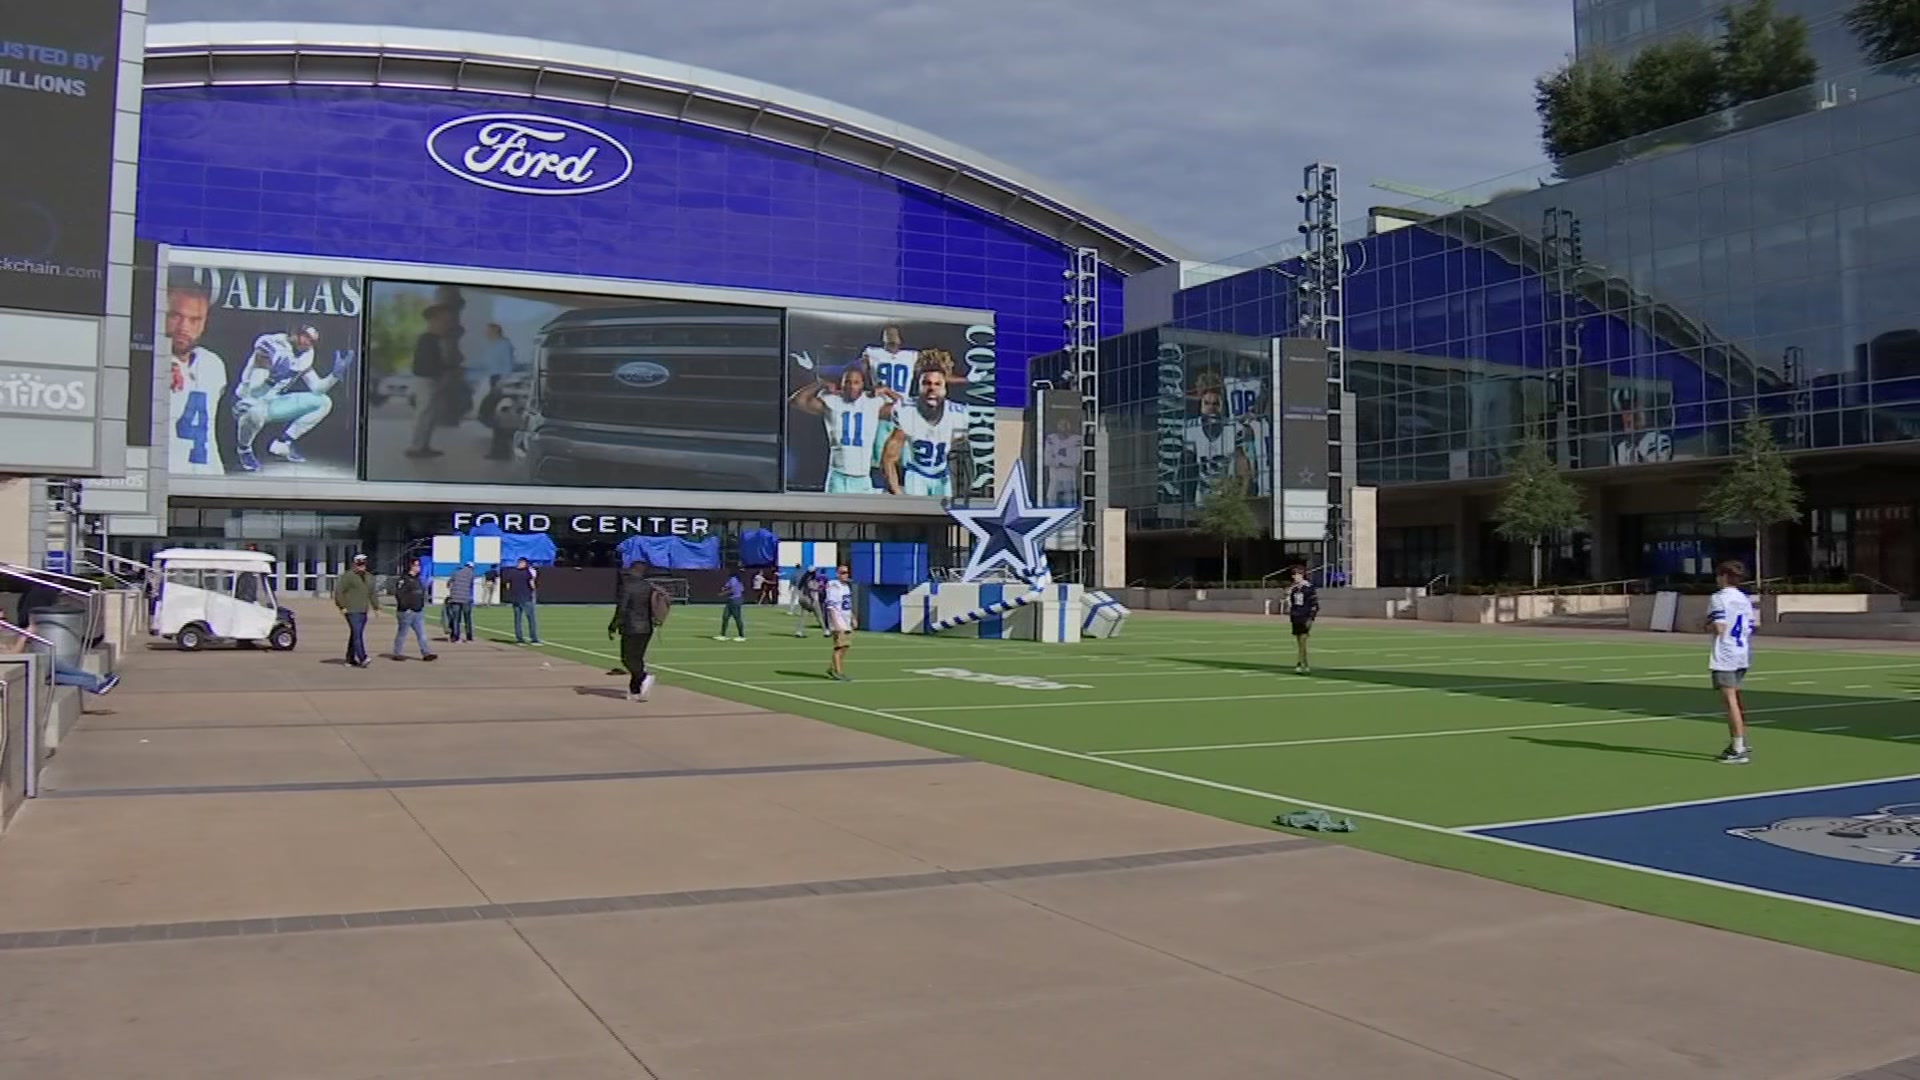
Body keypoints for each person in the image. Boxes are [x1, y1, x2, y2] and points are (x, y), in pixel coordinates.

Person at [230, 324, 353, 472]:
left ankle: (283, 443)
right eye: (306, 337)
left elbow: (317, 388)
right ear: (294, 334)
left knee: (323, 402)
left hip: (272, 402)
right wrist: (273, 380)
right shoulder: (270, 345)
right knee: (256, 412)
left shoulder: (306, 355)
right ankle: (244, 449)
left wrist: (334, 376)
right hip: (247, 402)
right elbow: (254, 390)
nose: (308, 343)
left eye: (312, 341)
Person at [790, 359, 897, 493]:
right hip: (838, 475)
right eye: (847, 382)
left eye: (856, 382)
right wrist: (820, 384)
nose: (852, 386)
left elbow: (907, 410)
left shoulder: (872, 404)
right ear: (841, 384)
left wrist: (887, 391)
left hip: (863, 477)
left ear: (862, 384)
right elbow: (796, 401)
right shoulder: (832, 401)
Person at [163, 275, 229, 475]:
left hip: (208, 479)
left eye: (194, 320)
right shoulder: (146, 360)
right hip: (160, 481)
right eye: (175, 316)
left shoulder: (213, 365)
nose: (184, 328)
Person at [881, 364, 968, 497]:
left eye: (937, 384)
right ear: (919, 387)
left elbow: (961, 457)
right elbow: (889, 457)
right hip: (917, 473)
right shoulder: (906, 411)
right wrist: (897, 491)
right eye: (926, 383)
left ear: (945, 389)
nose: (932, 388)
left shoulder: (958, 414)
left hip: (943, 475)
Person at [1707, 559, 1757, 765]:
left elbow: (1719, 627)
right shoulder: (1744, 598)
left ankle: (1738, 748)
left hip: (1725, 654)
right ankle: (1741, 739)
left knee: (1730, 702)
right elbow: (1751, 626)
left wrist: (1705, 625)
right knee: (1736, 698)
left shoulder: (1719, 598)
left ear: (1725, 576)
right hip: (1741, 652)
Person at [406, 303, 462, 459]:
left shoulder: (433, 339)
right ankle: (416, 447)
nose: (445, 325)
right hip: (426, 380)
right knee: (424, 414)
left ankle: (423, 445)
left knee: (429, 415)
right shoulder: (427, 340)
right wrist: (447, 369)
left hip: (431, 380)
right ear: (433, 321)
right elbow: (425, 364)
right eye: (443, 321)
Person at [607, 563, 671, 702]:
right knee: (637, 658)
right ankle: (635, 691)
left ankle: (643, 677)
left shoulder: (627, 587)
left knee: (627, 658)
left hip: (632, 627)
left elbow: (622, 609)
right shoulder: (649, 587)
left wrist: (613, 626)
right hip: (647, 628)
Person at [4, 621, 121, 695]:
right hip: (17, 673)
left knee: (57, 676)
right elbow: (13, 655)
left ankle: (96, 684)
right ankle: (97, 679)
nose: (4, 623)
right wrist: (24, 636)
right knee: (51, 662)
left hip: (28, 670)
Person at [332, 553, 379, 668]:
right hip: (352, 611)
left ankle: (350, 659)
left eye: (363, 564)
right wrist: (342, 606)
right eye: (359, 564)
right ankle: (363, 657)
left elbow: (372, 593)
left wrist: (376, 607)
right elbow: (339, 592)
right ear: (355, 564)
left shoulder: (369, 577)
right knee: (358, 635)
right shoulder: (348, 576)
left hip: (363, 610)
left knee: (355, 635)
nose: (361, 567)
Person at [389, 557, 437, 661]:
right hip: (407, 612)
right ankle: (397, 653)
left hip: (418, 611)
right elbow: (400, 595)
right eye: (417, 565)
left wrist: (420, 605)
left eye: (419, 565)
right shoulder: (404, 579)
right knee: (402, 633)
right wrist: (406, 607)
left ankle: (426, 653)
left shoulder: (418, 579)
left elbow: (420, 593)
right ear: (411, 566)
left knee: (422, 634)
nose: (419, 567)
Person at [823, 564, 855, 681]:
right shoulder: (834, 587)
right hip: (838, 620)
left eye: (846, 572)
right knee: (839, 647)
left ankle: (832, 668)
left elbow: (848, 604)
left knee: (845, 646)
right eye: (842, 572)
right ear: (837, 574)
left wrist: (853, 617)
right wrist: (835, 623)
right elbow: (831, 606)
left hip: (846, 620)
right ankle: (838, 671)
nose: (845, 575)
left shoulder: (846, 586)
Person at [1285, 564, 1319, 674]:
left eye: (1297, 574)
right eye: (1293, 574)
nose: (1295, 577)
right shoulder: (1294, 589)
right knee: (1299, 643)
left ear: (1302, 575)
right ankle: (1304, 663)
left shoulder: (1309, 588)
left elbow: (1315, 605)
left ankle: (1300, 663)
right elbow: (1292, 603)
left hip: (1305, 616)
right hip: (1296, 617)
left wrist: (1311, 619)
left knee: (1303, 642)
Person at [500, 557, 541, 644]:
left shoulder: (512, 572)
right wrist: (533, 591)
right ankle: (533, 639)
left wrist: (512, 591)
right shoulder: (527, 572)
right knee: (530, 619)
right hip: (526, 598)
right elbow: (531, 584)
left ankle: (520, 639)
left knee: (518, 619)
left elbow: (507, 584)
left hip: (516, 598)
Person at [443, 560, 476, 643]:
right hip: (466, 599)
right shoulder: (471, 574)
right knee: (467, 619)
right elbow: (471, 586)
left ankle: (455, 637)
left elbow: (448, 584)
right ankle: (469, 637)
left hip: (455, 598)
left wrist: (453, 591)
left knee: (456, 619)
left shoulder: (456, 573)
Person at [716, 567, 747, 641]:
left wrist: (722, 593)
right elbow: (741, 589)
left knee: (737, 618)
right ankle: (723, 635)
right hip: (732, 600)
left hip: (735, 600)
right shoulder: (736, 580)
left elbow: (732, 590)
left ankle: (741, 636)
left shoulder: (734, 579)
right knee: (725, 617)